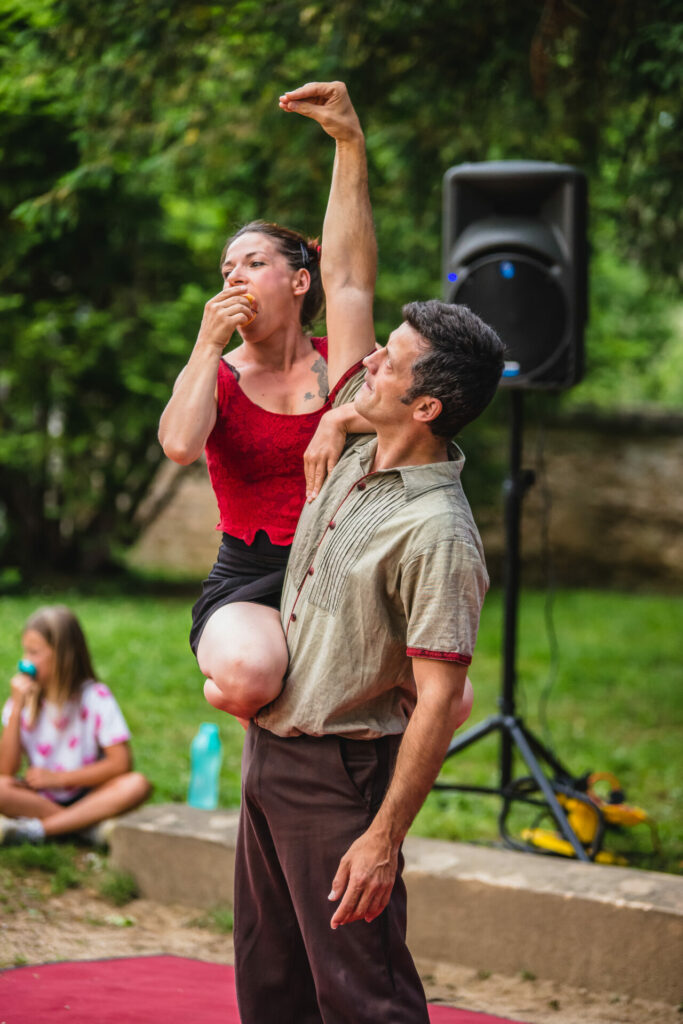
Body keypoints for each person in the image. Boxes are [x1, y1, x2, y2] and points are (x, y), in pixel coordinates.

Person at [232, 82, 506, 1023]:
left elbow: (439, 701)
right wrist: (348, 144)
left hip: (344, 777)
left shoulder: (438, 532)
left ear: (426, 406)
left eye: (386, 362)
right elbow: (345, 277)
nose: (363, 364)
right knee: (272, 992)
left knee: (364, 1000)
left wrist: (385, 835)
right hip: (272, 752)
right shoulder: (354, 439)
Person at [158, 210, 375, 725]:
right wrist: (208, 343)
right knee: (249, 673)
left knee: (454, 697)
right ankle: (239, 690)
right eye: (227, 269)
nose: (234, 276)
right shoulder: (218, 372)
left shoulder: (339, 361)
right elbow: (179, 446)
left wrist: (338, 416)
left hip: (343, 568)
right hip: (250, 573)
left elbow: (353, 281)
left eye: (254, 263)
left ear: (301, 281)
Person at [0, 605, 151, 845]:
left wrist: (58, 779)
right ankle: (85, 827)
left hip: (89, 794)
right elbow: (6, 770)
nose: (24, 662)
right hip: (39, 797)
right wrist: (17, 709)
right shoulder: (22, 700)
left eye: (34, 653)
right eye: (25, 652)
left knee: (136, 784)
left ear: (62, 656)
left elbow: (121, 763)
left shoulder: (95, 697)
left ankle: (36, 830)